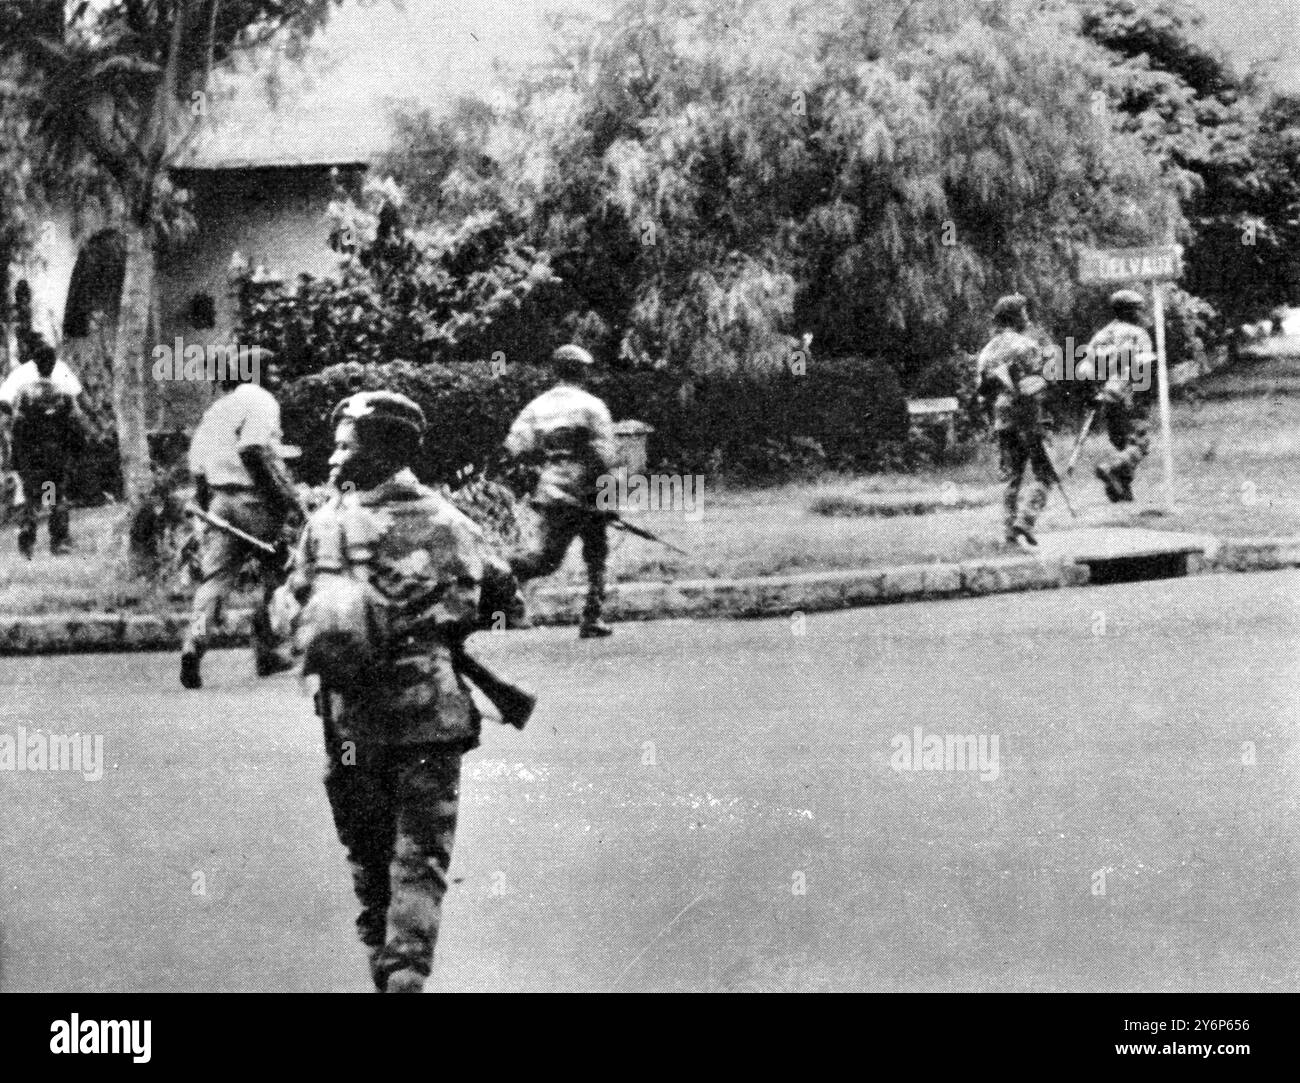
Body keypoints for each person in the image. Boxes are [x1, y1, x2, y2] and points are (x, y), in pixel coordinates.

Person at [284, 391, 502, 993]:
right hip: (431, 716)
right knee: (422, 856)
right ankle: (407, 966)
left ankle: (381, 950)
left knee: (368, 845)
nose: (336, 456)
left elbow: (292, 614)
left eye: (346, 444)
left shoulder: (326, 527)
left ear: (381, 450)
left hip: (351, 723)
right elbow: (483, 605)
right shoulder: (453, 523)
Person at [180, 357, 300, 689]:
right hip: (255, 499)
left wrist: (209, 507)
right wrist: (281, 499)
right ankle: (269, 652)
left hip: (220, 501)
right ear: (256, 374)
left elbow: (198, 467)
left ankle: (194, 642)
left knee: (216, 579)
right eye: (270, 371)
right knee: (276, 571)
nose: (274, 377)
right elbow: (252, 450)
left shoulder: (218, 410)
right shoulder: (261, 400)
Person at [505, 344, 618, 638]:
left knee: (544, 560)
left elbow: (515, 448)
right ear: (582, 372)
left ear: (556, 370)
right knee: (596, 556)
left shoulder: (537, 406)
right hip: (590, 493)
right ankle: (592, 617)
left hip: (554, 491)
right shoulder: (592, 406)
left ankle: (505, 587)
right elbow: (606, 456)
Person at [976, 294, 1054, 550]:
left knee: (1012, 477)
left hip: (1002, 418)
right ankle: (1027, 520)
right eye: (1025, 313)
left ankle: (1009, 532)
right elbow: (1036, 383)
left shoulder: (986, 352)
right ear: (1016, 317)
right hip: (1029, 415)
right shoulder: (1026, 346)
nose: (1028, 318)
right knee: (1046, 472)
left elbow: (982, 391)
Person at [2, 339, 86, 557]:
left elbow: (9, 410)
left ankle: (30, 536)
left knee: (36, 493)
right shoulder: (35, 382)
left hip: (37, 451)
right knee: (50, 493)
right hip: (46, 450)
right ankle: (55, 540)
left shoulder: (26, 383)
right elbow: (74, 417)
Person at [1083, 289, 1155, 502]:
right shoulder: (1138, 334)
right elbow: (1143, 368)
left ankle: (1120, 491)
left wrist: (1097, 392)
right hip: (1129, 394)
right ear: (1130, 311)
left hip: (1107, 397)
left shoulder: (1099, 336)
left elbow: (1087, 370)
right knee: (1140, 444)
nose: (1142, 314)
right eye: (1139, 310)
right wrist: (1143, 397)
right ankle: (1109, 468)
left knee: (1123, 444)